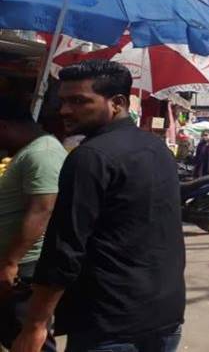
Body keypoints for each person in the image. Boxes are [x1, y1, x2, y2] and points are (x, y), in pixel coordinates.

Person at [12, 60, 185, 352]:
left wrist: (36, 325)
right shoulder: (156, 148)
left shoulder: (90, 157)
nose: (65, 110)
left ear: (117, 102)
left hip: (110, 324)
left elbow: (63, 251)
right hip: (165, 315)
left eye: (79, 101)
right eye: (63, 100)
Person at [0, 99, 65, 352]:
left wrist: (10, 263)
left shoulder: (42, 153)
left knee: (27, 337)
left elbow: (43, 209)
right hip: (15, 267)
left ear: (3, 126)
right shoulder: (29, 151)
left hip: (22, 271)